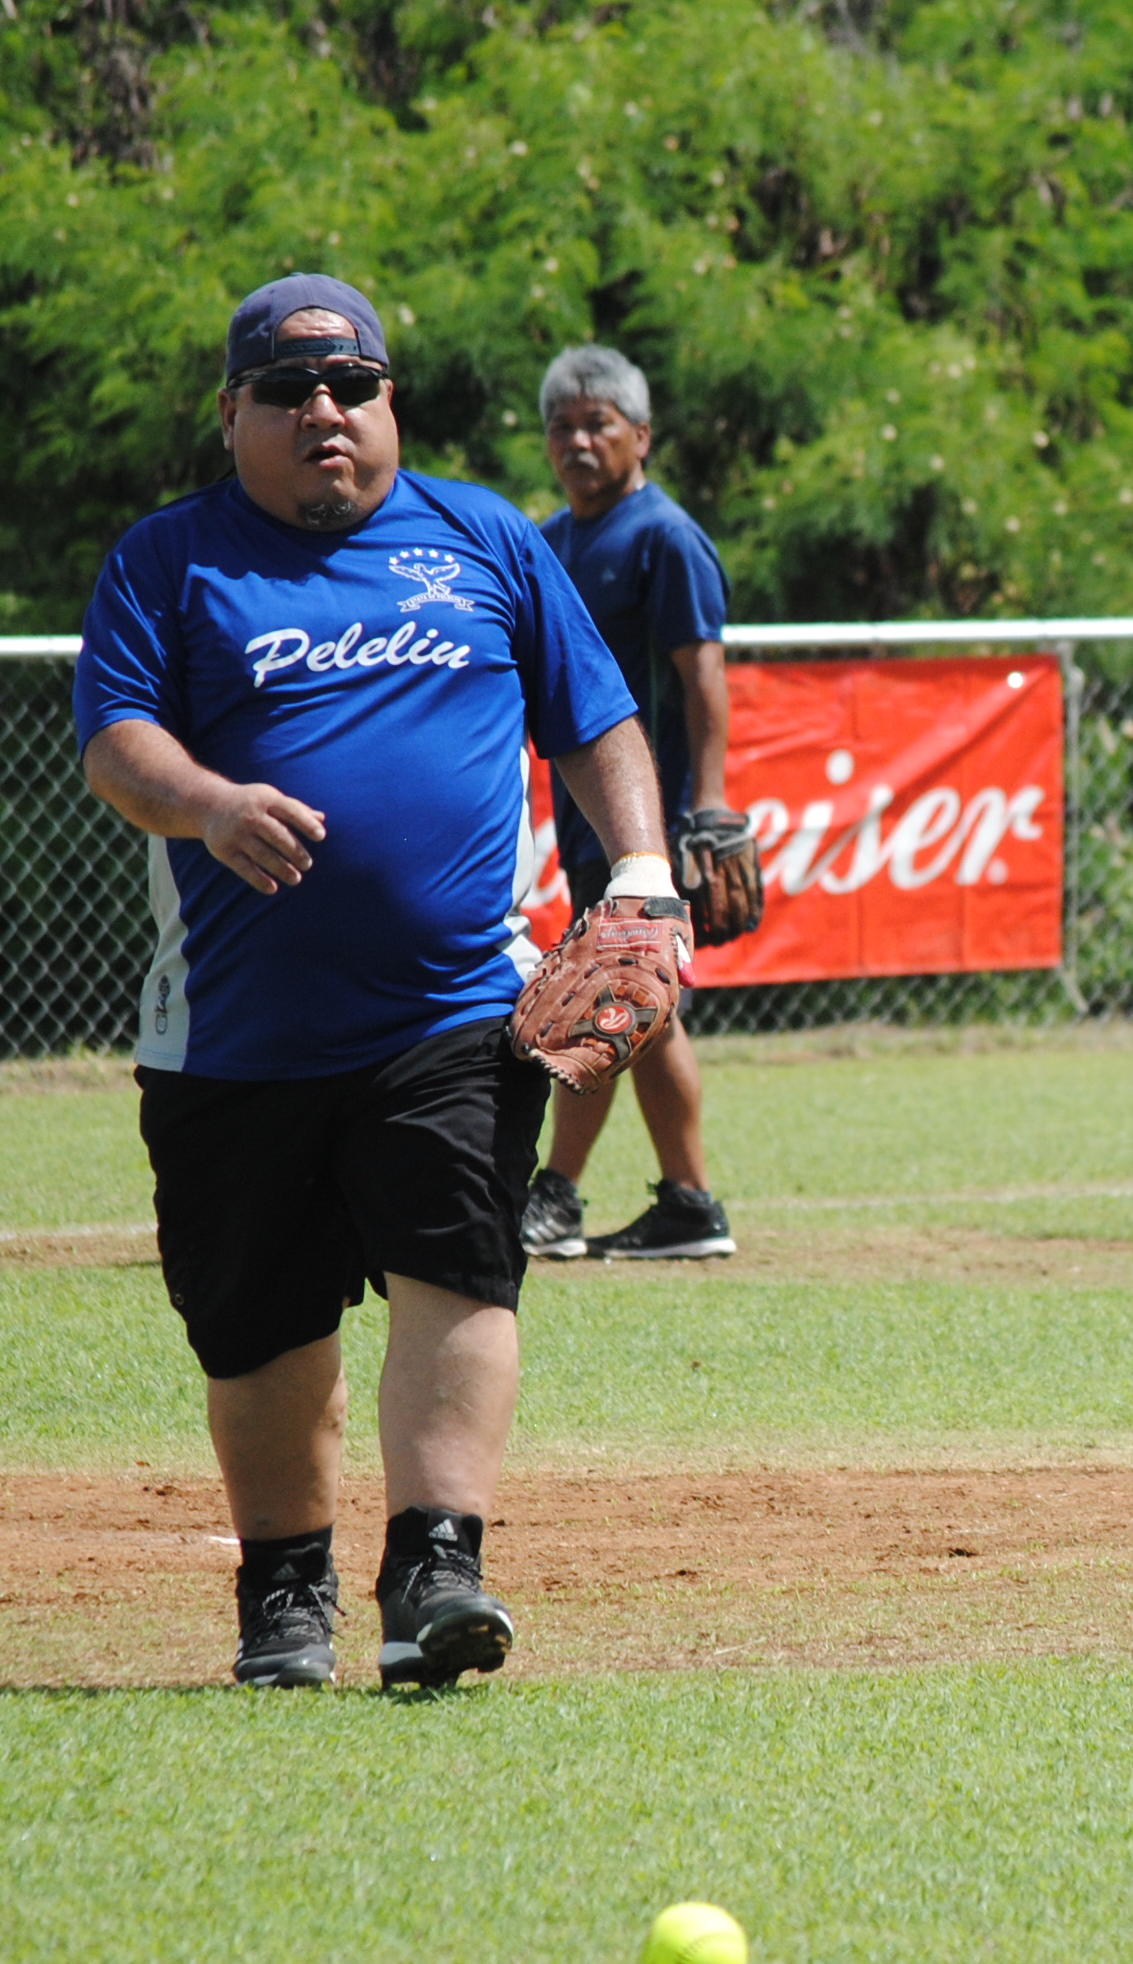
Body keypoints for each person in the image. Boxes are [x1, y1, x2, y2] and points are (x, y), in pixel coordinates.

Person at [74, 274, 666, 1690]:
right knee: (258, 1320)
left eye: (351, 386)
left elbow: (595, 715)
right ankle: (285, 1593)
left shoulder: (483, 538)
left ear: (390, 401)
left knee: (459, 1267)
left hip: (453, 1008)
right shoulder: (169, 562)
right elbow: (116, 742)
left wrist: (640, 864)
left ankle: (436, 1566)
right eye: (286, 393)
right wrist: (210, 803)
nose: (321, 413)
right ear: (235, 415)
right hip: (235, 1031)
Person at [520, 343, 740, 1263]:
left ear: (640, 435)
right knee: (638, 1008)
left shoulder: (664, 536)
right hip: (587, 818)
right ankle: (687, 1206)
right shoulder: (549, 539)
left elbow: (704, 680)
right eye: (562, 427)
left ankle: (560, 1197)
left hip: (652, 820)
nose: (578, 441)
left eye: (598, 424)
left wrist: (712, 806)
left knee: (613, 998)